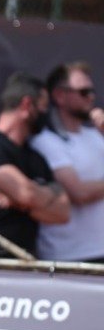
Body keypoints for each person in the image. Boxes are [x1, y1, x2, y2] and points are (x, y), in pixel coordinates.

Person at [0, 71, 69, 259]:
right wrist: (43, 195)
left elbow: (62, 212)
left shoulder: (36, 157)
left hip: (26, 259)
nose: (46, 114)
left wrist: (21, 203)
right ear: (27, 105)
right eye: (43, 107)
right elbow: (26, 193)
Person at [30, 62, 104, 263]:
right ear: (60, 96)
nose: (91, 97)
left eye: (92, 91)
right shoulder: (46, 142)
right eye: (83, 91)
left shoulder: (97, 136)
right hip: (71, 256)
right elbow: (79, 192)